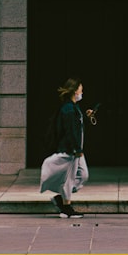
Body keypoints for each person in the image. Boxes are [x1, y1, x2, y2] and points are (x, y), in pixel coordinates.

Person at [39, 78, 92, 218]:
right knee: (69, 179)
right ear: (75, 91)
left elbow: (76, 127)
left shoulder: (74, 107)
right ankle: (66, 208)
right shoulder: (68, 109)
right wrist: (76, 149)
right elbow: (70, 131)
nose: (82, 92)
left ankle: (60, 198)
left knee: (83, 175)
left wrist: (86, 117)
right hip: (72, 150)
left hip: (76, 150)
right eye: (81, 89)